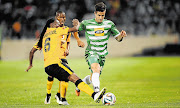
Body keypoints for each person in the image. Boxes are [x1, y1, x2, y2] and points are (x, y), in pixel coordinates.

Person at [26, 12, 106, 104]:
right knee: (76, 79)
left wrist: (30, 64)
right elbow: (75, 29)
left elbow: (32, 51)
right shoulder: (57, 31)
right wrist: (77, 24)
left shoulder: (44, 36)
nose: (58, 24)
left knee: (65, 79)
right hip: (56, 63)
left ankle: (61, 98)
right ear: (51, 25)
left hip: (47, 67)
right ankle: (94, 95)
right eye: (56, 23)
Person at [75, 2, 127, 96]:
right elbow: (74, 30)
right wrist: (78, 40)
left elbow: (118, 38)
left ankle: (78, 85)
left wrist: (121, 36)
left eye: (102, 15)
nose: (100, 17)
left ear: (105, 13)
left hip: (102, 55)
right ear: (95, 13)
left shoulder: (109, 24)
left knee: (92, 77)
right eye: (99, 15)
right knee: (96, 69)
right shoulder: (87, 23)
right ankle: (97, 92)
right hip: (91, 52)